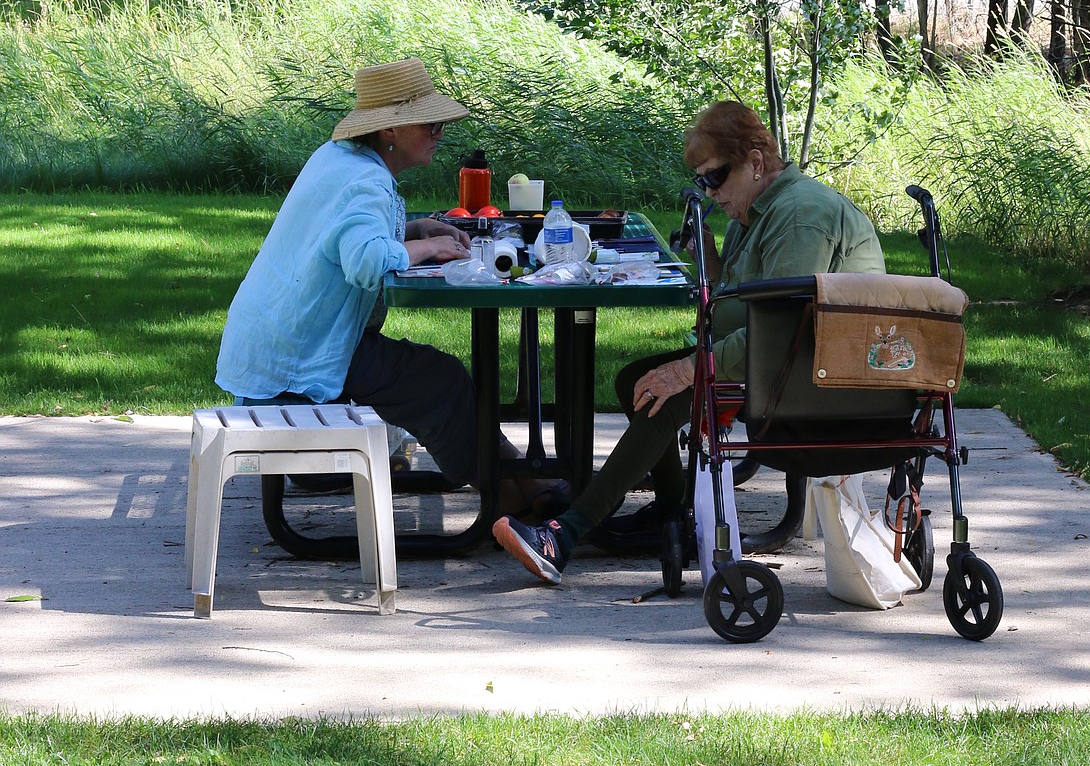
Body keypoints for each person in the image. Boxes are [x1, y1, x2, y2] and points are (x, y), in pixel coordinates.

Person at [492, 98, 886, 584]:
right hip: (781, 361)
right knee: (639, 381)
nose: (710, 190)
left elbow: (780, 332)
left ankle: (564, 535)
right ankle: (672, 513)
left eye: (716, 177)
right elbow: (743, 299)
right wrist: (710, 252)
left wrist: (687, 369)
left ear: (756, 161)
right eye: (701, 180)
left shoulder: (799, 216)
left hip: (815, 376)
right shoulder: (760, 209)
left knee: (669, 392)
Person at [216, 57, 562, 513]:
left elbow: (338, 238)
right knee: (441, 382)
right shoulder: (367, 182)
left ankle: (519, 485)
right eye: (430, 123)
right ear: (390, 132)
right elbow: (364, 262)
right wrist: (423, 250)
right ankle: (515, 501)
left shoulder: (338, 158)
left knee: (435, 381)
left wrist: (413, 233)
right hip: (304, 355)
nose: (440, 133)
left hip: (280, 342)